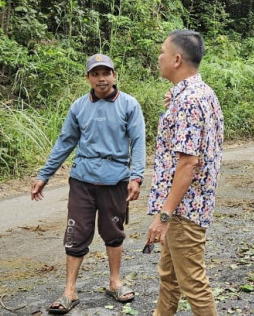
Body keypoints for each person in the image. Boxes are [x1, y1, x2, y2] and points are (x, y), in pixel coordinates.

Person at [30, 53, 146, 314]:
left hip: (115, 179)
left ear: (114, 75)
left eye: (106, 73)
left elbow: (138, 142)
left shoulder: (129, 105)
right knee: (76, 233)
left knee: (113, 231)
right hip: (82, 180)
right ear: (88, 78)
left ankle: (115, 282)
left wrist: (136, 176)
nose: (101, 78)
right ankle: (70, 290)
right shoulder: (79, 107)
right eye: (95, 74)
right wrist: (43, 176)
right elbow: (65, 142)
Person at [145, 29, 224, 316]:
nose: (159, 56)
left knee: (193, 285)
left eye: (163, 52)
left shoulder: (189, 101)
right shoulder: (199, 94)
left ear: (177, 59)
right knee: (169, 279)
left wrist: (164, 215)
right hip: (185, 207)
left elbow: (188, 163)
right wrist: (172, 108)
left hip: (183, 211)